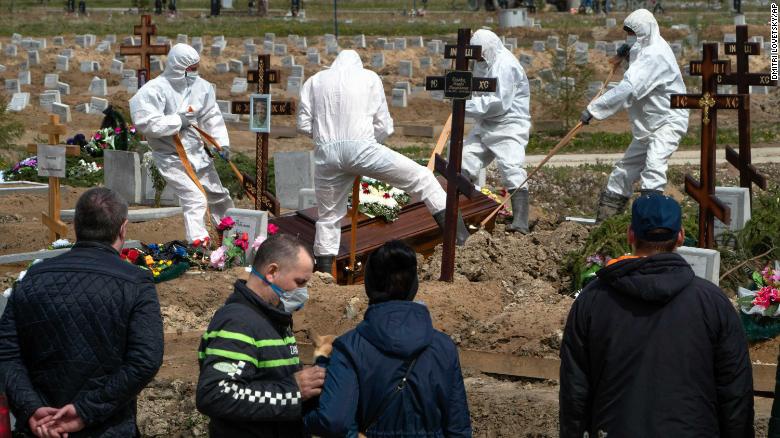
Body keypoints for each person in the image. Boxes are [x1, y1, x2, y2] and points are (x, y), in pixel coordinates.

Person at [559, 193, 754, 437]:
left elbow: (575, 390)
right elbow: (735, 390)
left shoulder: (593, 300)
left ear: (631, 235)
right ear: (680, 236)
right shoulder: (712, 302)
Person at [0, 187, 164, 437]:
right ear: (123, 228)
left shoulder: (33, 277)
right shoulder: (136, 283)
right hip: (107, 428)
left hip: (40, 428)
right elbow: (145, 360)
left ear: (75, 225)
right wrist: (85, 411)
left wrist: (31, 408)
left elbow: (7, 352)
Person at [297, 49, 468, 274]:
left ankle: (324, 275)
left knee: (328, 216)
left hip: (327, 155)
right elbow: (384, 126)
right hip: (363, 148)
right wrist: (365, 144)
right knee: (423, 179)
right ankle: (463, 243)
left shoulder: (314, 81)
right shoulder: (369, 78)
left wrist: (327, 139)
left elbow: (303, 125)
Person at [304, 240, 472, 437]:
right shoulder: (444, 347)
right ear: (414, 287)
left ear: (368, 287)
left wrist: (302, 416)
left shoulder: (349, 348)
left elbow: (334, 421)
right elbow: (458, 427)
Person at [196, 234, 325, 437]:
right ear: (272, 272)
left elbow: (274, 376)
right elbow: (215, 394)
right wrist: (293, 391)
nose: (303, 292)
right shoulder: (239, 323)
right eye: (299, 282)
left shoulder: (274, 318)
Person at [580, 9, 688, 223]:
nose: (630, 37)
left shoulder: (656, 54)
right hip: (649, 123)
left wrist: (594, 110)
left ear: (646, 31)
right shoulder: (643, 45)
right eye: (628, 33)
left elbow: (629, 89)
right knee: (624, 170)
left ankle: (651, 224)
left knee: (654, 166)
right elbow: (636, 55)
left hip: (667, 120)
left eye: (633, 33)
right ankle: (606, 223)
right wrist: (627, 52)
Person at [130, 43, 234, 246]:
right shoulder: (154, 90)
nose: (195, 73)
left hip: (197, 153)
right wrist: (177, 121)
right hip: (171, 157)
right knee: (195, 199)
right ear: (178, 67)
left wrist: (221, 143)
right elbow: (146, 123)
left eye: (196, 68)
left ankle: (231, 238)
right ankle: (199, 244)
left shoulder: (201, 87)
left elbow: (211, 115)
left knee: (218, 196)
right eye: (191, 69)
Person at [462, 29, 532, 234]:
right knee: (465, 160)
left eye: (480, 55)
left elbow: (499, 103)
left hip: (508, 124)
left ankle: (520, 222)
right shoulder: (482, 61)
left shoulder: (506, 65)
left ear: (488, 49)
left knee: (511, 168)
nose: (478, 60)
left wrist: (464, 104)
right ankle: (463, 212)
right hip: (485, 123)